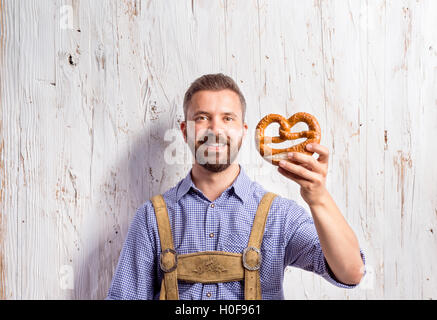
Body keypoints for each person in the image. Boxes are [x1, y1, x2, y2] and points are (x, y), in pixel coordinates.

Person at [106, 73, 365, 300]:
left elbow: (351, 272)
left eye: (227, 119)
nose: (215, 129)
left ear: (243, 131)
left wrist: (318, 198)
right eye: (203, 117)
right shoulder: (151, 217)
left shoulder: (279, 215)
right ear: (185, 131)